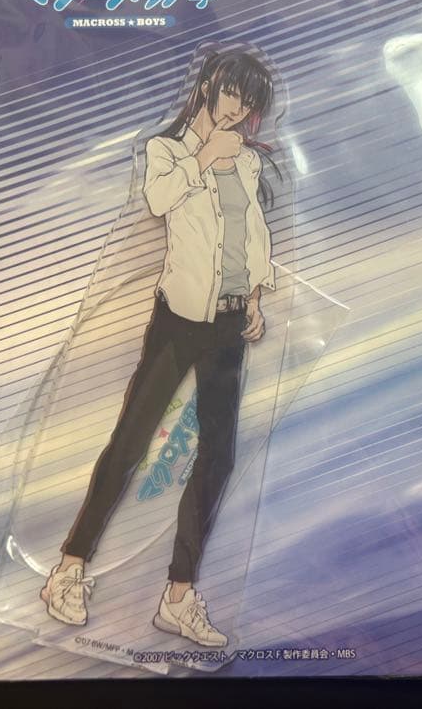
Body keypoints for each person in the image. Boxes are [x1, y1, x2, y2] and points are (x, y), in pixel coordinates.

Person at [39, 48, 282, 647]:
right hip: (178, 320)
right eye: (233, 93)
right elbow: (159, 199)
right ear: (210, 85)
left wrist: (254, 297)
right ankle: (68, 569)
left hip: (229, 323)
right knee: (132, 440)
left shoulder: (248, 162)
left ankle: (179, 595)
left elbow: (252, 233)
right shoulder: (166, 151)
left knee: (218, 456)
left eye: (249, 102)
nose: (239, 109)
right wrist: (206, 154)